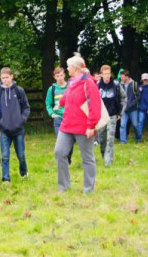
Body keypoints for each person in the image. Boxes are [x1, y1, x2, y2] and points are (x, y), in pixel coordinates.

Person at [54, 54, 100, 194]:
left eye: (68, 67)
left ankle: (89, 190)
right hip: (67, 125)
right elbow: (68, 95)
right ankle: (64, 187)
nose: (67, 69)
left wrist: (91, 126)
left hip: (84, 127)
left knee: (87, 158)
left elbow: (95, 107)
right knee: (59, 152)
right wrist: (60, 103)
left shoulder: (89, 84)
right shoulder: (72, 82)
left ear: (75, 68)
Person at [0, 67, 30, 182]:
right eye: (3, 78)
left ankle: (24, 172)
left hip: (18, 129)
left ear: (12, 76)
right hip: (4, 130)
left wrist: (21, 120)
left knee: (21, 155)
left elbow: (26, 108)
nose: (5, 80)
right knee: (5, 156)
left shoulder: (19, 90)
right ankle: (6, 178)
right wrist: (1, 122)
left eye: (7, 77)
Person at [97, 65, 126, 166]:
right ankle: (104, 154)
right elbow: (91, 100)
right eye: (105, 74)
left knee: (110, 139)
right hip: (101, 116)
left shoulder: (116, 85)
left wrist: (120, 112)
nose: (107, 76)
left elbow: (124, 98)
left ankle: (108, 161)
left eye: (108, 73)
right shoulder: (97, 86)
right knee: (102, 139)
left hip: (112, 115)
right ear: (101, 75)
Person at [45, 67, 73, 163]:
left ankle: (68, 157)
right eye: (58, 76)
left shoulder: (70, 87)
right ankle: (63, 160)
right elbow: (48, 104)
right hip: (58, 118)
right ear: (54, 77)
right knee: (61, 139)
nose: (60, 78)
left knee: (70, 140)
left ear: (64, 75)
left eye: (61, 75)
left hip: (70, 117)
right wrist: (52, 114)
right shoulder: (52, 89)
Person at [120, 70, 140, 143]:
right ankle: (123, 141)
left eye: (122, 77)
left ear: (127, 77)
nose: (121, 78)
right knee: (122, 125)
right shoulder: (120, 85)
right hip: (124, 110)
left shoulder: (134, 84)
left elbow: (138, 97)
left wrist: (131, 104)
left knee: (135, 125)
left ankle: (138, 139)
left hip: (133, 109)